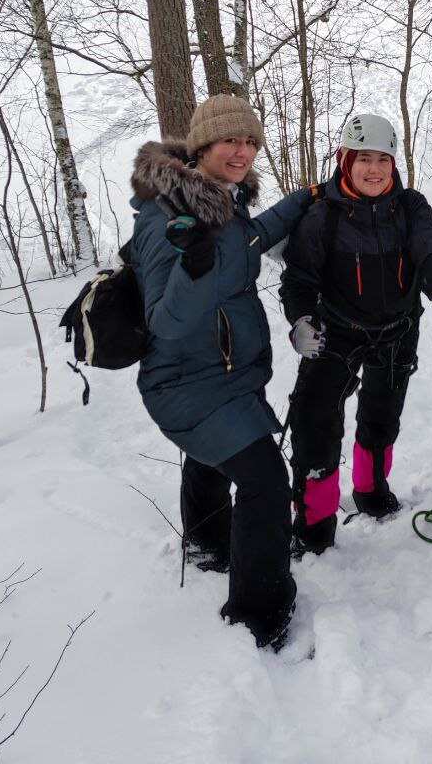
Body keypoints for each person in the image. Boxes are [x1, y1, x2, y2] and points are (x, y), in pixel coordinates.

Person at [130, 94, 311, 651]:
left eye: (250, 141)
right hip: (185, 384)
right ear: (202, 146)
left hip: (225, 375)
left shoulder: (221, 205)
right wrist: (194, 265)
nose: (242, 151)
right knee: (264, 481)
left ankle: (208, 542)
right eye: (230, 141)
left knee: (213, 461)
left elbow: (248, 240)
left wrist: (306, 199)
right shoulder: (172, 223)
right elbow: (167, 321)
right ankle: (258, 611)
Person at [280, 113, 432, 556]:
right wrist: (300, 321)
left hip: (397, 330)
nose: (374, 170)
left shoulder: (410, 206)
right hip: (336, 333)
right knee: (316, 425)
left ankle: (370, 490)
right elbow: (300, 280)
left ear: (394, 165)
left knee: (382, 415)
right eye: (363, 159)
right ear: (345, 161)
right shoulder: (321, 216)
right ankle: (314, 524)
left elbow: (429, 252)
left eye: (382, 160)